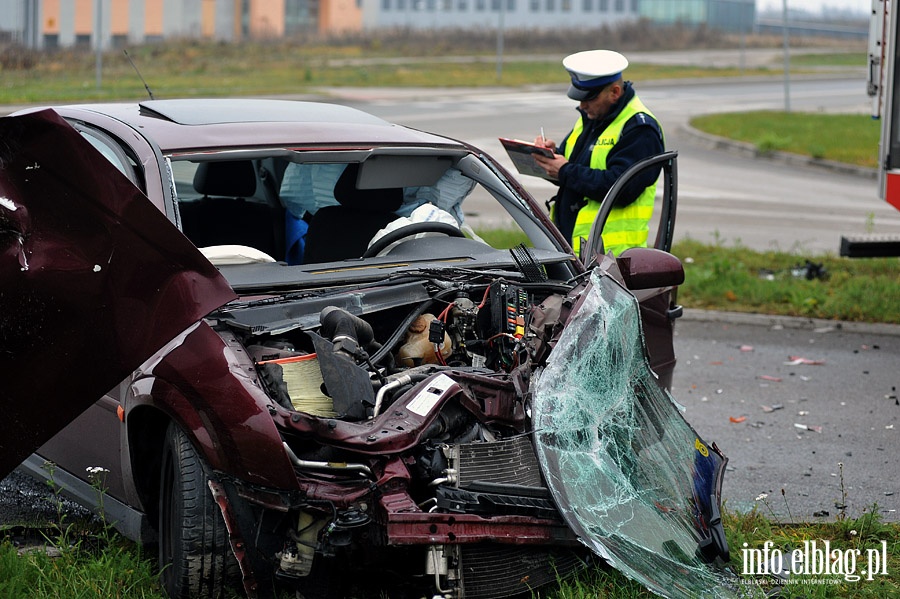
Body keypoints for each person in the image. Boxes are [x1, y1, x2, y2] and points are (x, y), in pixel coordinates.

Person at [533, 49, 664, 257]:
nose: (582, 105)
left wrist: (564, 170)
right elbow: (574, 170)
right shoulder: (593, 118)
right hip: (577, 251)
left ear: (614, 92)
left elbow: (621, 188)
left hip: (613, 260)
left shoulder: (639, 129)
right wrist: (552, 157)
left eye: (589, 98)